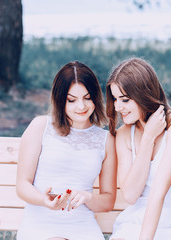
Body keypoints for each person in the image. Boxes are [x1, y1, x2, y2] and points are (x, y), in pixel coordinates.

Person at [106, 57, 171, 240]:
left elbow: (158, 193)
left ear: (143, 95)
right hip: (134, 224)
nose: (117, 107)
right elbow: (131, 195)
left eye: (124, 100)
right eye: (115, 99)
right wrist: (148, 139)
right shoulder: (123, 135)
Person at [16, 61, 117, 240]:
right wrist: (44, 200)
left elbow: (108, 201)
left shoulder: (105, 140)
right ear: (60, 100)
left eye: (87, 98)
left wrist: (87, 197)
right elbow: (22, 184)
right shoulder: (41, 127)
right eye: (71, 100)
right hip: (40, 224)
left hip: (82, 226)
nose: (81, 106)